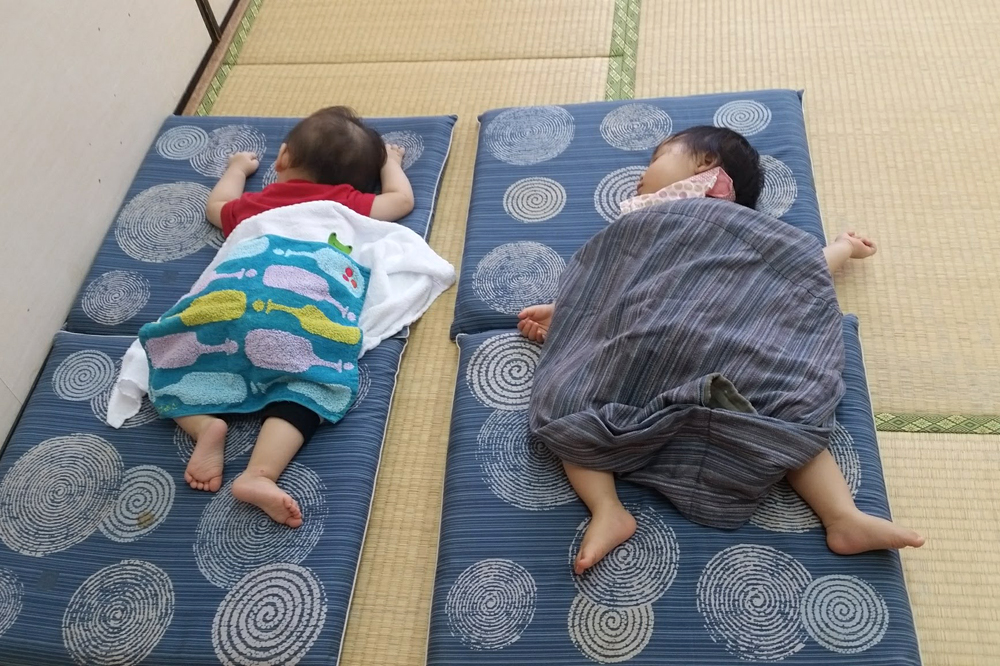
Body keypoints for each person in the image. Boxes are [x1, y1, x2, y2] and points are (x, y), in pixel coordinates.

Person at [518, 126, 924, 575]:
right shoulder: (639, 226)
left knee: (787, 400)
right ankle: (608, 510)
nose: (640, 176)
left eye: (656, 158)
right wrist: (569, 312)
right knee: (563, 397)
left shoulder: (745, 232)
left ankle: (842, 517)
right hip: (644, 341)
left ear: (705, 164)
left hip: (729, 339)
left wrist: (842, 249)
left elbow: (794, 268)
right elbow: (621, 283)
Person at [178, 106, 414, 528]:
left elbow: (216, 206)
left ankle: (203, 426)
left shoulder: (257, 204)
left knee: (168, 356)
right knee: (307, 386)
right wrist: (392, 163)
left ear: (282, 158)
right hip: (296, 315)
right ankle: (259, 473)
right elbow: (401, 201)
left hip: (233, 300)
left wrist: (236, 168)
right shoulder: (348, 204)